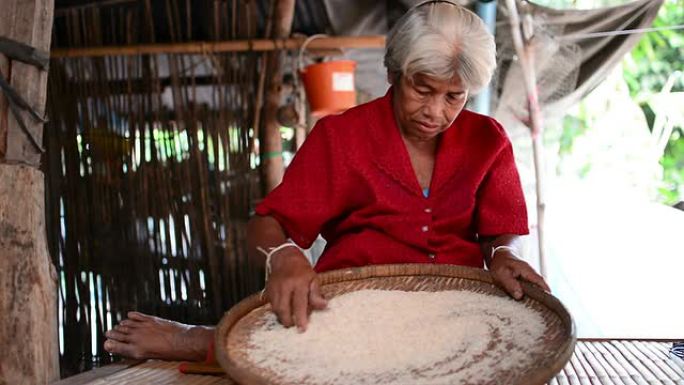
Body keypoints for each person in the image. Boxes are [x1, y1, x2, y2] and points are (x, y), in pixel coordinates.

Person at [104, 0, 549, 362]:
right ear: (393, 74)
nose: (436, 111)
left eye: (454, 96)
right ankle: (198, 339)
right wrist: (285, 257)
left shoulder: (486, 139)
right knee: (302, 351)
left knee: (514, 347)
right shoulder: (341, 137)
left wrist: (505, 254)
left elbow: (499, 232)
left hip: (456, 303)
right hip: (353, 303)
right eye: (422, 89)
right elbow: (266, 223)